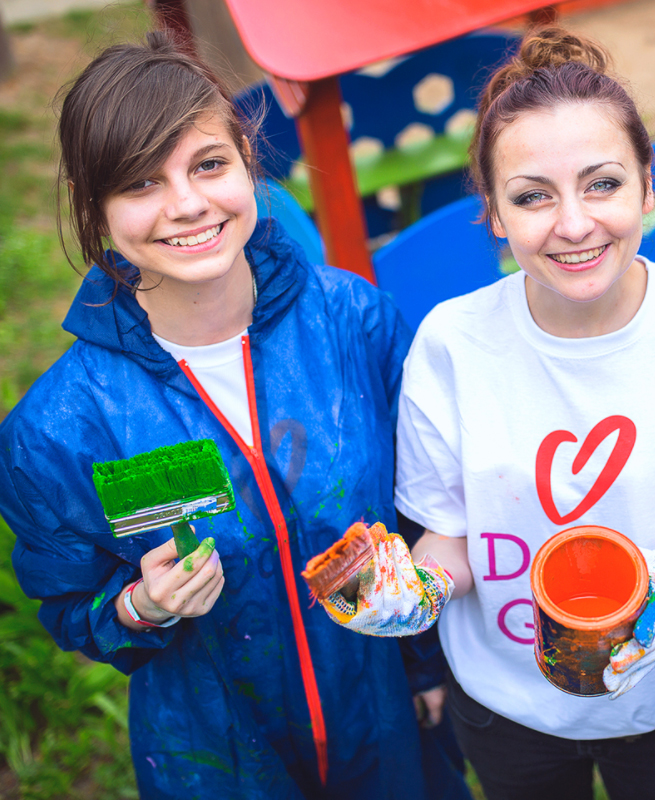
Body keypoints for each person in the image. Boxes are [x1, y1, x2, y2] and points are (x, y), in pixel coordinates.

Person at [316, 26, 655, 800]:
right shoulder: (453, 342)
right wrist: (417, 591)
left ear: (647, 184)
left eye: (602, 184)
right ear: (494, 214)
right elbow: (448, 535)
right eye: (532, 196)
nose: (572, 224)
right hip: (507, 704)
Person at [0, 32, 469, 800]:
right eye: (141, 183)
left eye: (208, 165)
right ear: (95, 207)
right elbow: (68, 605)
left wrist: (425, 666)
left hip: (385, 722)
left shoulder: (355, 322)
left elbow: (425, 508)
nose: (187, 205)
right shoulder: (58, 429)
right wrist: (138, 604)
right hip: (214, 759)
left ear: (250, 163)